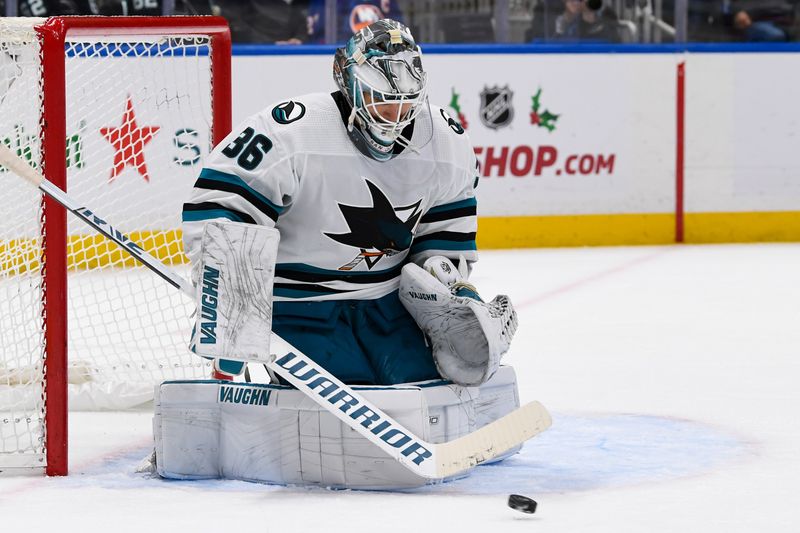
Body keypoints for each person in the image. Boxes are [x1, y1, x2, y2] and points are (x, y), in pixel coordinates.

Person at [181, 19, 515, 387]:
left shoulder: (445, 141)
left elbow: (446, 231)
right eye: (381, 102)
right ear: (350, 84)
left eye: (405, 106)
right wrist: (230, 306)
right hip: (296, 305)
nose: (394, 118)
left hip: (385, 304)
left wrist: (450, 286)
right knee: (343, 394)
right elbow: (222, 202)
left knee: (420, 386)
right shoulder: (293, 132)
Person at [306, 0, 404, 43]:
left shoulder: (385, 2)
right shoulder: (327, 3)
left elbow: (398, 29)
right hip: (345, 50)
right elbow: (319, 37)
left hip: (379, 51)